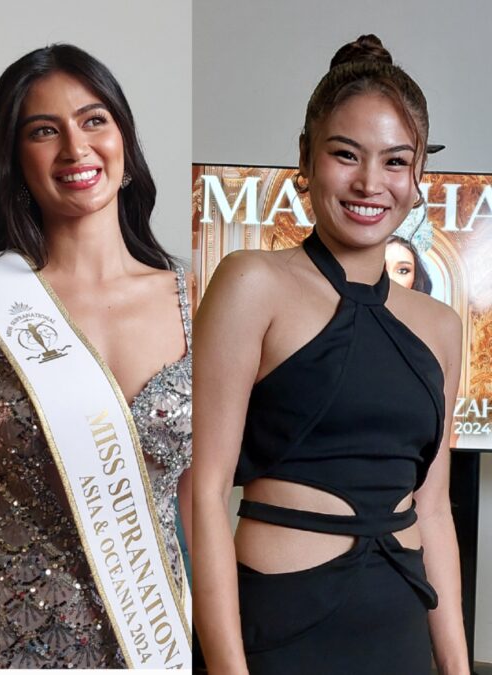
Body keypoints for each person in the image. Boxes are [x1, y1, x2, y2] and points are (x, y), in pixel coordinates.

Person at [0, 44, 192, 669]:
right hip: (0, 645)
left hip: (150, 644)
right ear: (14, 162)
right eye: (43, 131)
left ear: (125, 145)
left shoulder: (198, 302)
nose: (75, 149)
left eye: (93, 120)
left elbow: (203, 508)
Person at [191, 35, 468, 675]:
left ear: (419, 175)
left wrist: (455, 668)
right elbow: (202, 493)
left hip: (398, 628)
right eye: (346, 154)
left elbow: (433, 510)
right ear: (305, 159)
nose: (370, 182)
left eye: (396, 161)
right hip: (279, 631)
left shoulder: (440, 325)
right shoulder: (250, 283)